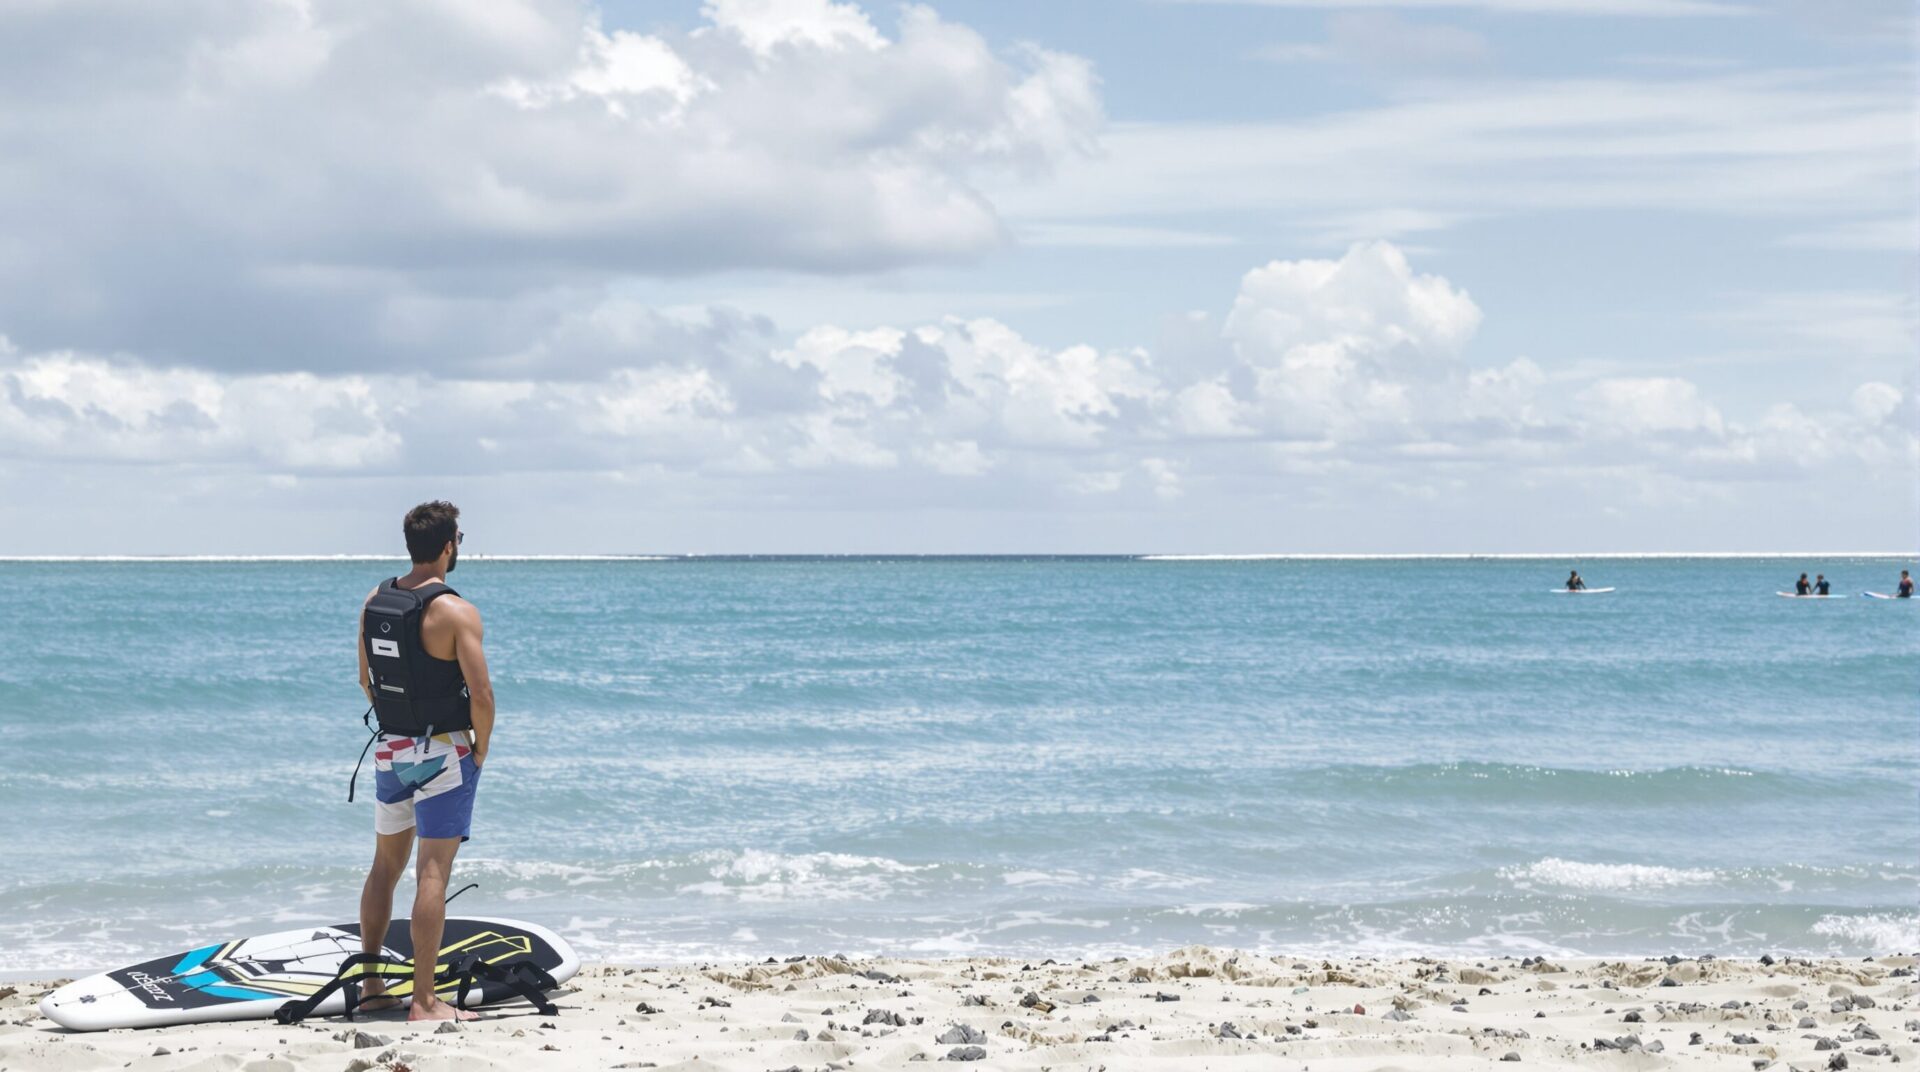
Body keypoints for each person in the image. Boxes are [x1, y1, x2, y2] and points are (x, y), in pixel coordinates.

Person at [355, 501, 494, 1022]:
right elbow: (481, 694)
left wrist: (401, 730)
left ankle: (371, 988)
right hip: (445, 752)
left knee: (384, 868)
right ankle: (423, 1000)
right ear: (448, 545)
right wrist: (479, 747)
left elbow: (366, 680)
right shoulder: (456, 612)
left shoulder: (375, 601)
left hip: (391, 749)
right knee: (432, 872)